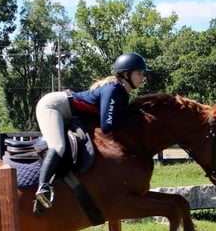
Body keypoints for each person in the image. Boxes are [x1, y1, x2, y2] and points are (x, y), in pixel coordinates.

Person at [33, 52, 150, 214]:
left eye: (142, 73)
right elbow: (107, 125)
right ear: (126, 74)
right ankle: (43, 188)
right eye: (139, 73)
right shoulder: (115, 89)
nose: (142, 77)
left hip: (67, 111)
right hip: (52, 106)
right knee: (58, 146)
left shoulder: (121, 92)